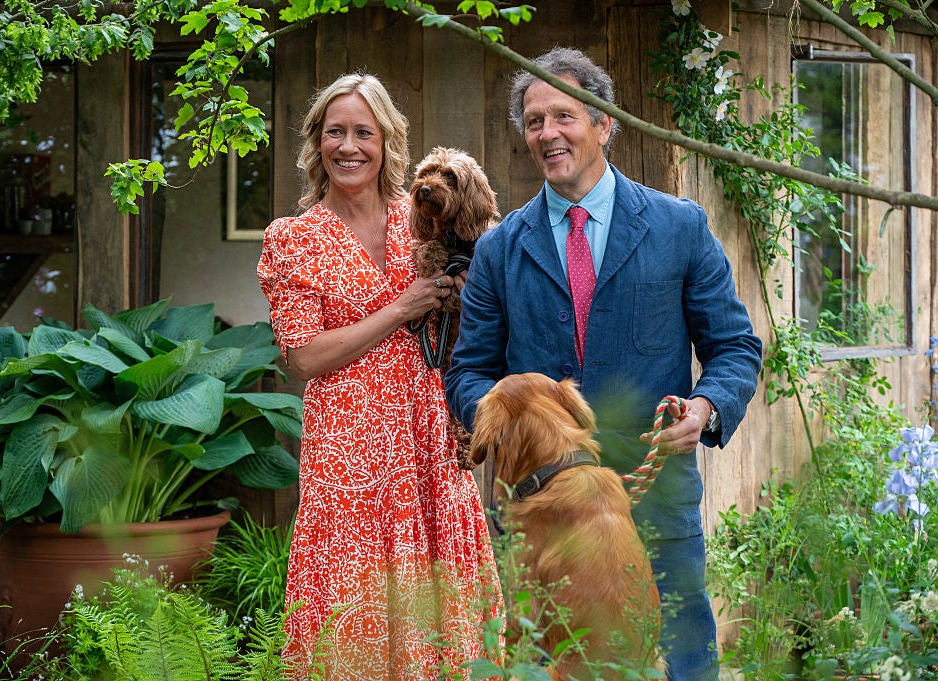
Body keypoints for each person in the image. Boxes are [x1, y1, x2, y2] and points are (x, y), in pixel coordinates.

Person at [444, 47, 763, 680]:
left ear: (603, 123)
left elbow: (734, 347)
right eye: (534, 121)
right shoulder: (500, 250)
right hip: (540, 511)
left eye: (563, 115)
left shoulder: (679, 227)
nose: (548, 133)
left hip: (656, 496)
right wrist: (509, 417)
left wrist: (704, 408)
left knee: (680, 655)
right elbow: (468, 370)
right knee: (546, 663)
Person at [257, 72, 501, 681]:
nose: (349, 146)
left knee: (442, 590)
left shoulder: (421, 214)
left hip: (430, 439)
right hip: (350, 448)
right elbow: (305, 356)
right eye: (334, 132)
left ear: (387, 141)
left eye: (363, 132)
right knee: (353, 592)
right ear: (316, 144)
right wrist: (399, 308)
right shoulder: (293, 239)